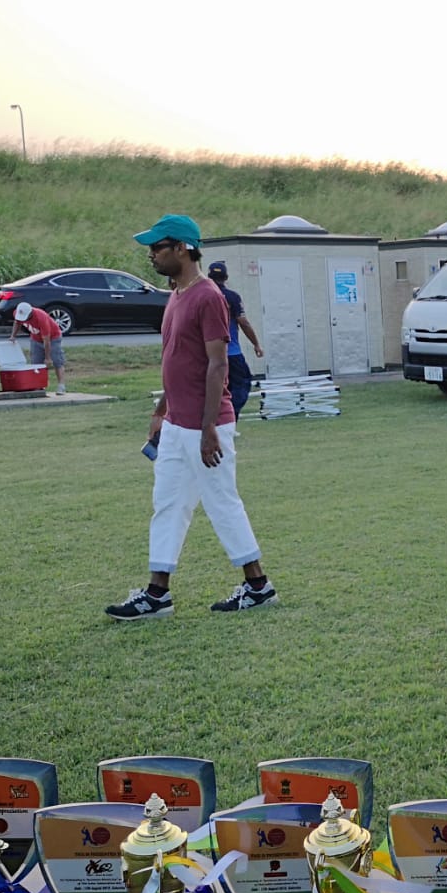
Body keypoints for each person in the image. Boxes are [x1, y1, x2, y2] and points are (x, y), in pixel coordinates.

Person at [105, 214, 278, 620]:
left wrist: (207, 429)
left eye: (157, 247)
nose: (151, 255)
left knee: (221, 502)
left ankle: (258, 587)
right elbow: (178, 360)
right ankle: (157, 595)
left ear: (182, 248)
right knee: (168, 504)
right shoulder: (177, 294)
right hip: (176, 424)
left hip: (206, 425)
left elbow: (217, 365)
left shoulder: (207, 297)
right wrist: (161, 411)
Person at [206, 260, 264, 421]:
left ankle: (218, 420)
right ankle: (228, 418)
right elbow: (243, 322)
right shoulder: (232, 297)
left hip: (208, 355)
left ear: (209, 277)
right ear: (226, 277)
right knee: (241, 384)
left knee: (215, 388)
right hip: (231, 353)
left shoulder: (202, 297)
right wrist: (256, 344)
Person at [10, 301, 68, 394]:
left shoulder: (41, 317)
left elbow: (46, 340)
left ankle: (61, 385)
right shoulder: (18, 313)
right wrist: (13, 336)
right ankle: (39, 386)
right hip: (35, 338)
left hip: (52, 337)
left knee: (57, 360)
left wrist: (47, 358)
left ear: (30, 313)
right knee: (36, 363)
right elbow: (17, 322)